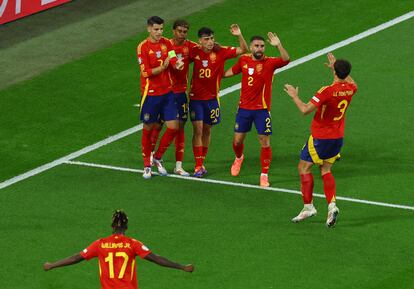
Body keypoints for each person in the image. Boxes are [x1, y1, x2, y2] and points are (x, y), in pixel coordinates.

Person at [284, 52, 357, 228]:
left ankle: (308, 206)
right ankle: (332, 205)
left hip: (320, 138)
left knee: (303, 167)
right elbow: (353, 82)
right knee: (325, 169)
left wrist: (294, 95)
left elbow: (304, 110)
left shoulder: (326, 91)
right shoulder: (350, 89)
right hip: (337, 138)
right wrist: (338, 69)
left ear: (334, 72)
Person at [43, 210, 194, 289]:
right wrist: (181, 267)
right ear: (126, 227)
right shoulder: (132, 244)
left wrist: (53, 265)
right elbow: (157, 259)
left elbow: (76, 257)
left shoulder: (100, 244)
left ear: (112, 227)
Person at [224, 33, 290, 187]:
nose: (259, 49)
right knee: (237, 140)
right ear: (251, 47)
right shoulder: (243, 60)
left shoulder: (270, 62)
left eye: (262, 46)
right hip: (244, 109)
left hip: (262, 110)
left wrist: (278, 45)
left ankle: (264, 175)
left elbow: (286, 59)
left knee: (264, 142)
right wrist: (214, 74)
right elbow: (229, 72)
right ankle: (239, 158)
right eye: (256, 46)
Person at [189, 24, 248, 177]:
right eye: (206, 39)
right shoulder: (194, 51)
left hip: (213, 99)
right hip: (196, 99)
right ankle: (198, 165)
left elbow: (243, 50)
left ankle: (202, 161)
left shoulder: (220, 51)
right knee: (198, 129)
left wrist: (238, 35)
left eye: (212, 38)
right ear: (200, 41)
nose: (210, 41)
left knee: (207, 130)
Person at [136, 16, 184, 179]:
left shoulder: (167, 43)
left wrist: (176, 63)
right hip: (150, 95)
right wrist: (163, 67)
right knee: (148, 129)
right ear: (149, 29)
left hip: (167, 93)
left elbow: (171, 56)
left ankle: (157, 157)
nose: (159, 32)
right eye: (156, 29)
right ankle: (146, 165)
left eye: (161, 29)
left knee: (173, 127)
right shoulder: (142, 47)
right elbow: (145, 72)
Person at [149, 19, 198, 177]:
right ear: (173, 31)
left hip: (180, 94)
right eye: (179, 31)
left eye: (185, 32)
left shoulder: (190, 46)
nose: (182, 34)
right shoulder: (166, 46)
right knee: (158, 125)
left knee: (180, 128)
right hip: (165, 92)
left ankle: (178, 165)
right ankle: (152, 156)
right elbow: (168, 59)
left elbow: (203, 50)